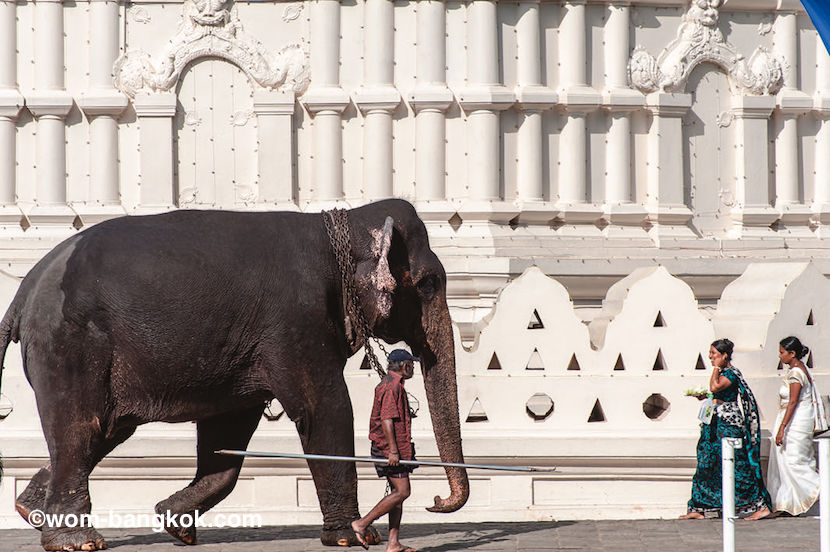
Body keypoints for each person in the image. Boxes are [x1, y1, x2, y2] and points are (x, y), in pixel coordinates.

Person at [680, 338, 772, 520]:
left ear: (724, 355)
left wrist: (716, 368)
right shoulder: (723, 373)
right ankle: (699, 507)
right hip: (714, 423)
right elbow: (714, 392)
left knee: (737, 465)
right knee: (707, 463)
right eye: (711, 353)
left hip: (728, 425)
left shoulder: (731, 374)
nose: (710, 357)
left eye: (714, 353)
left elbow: (715, 386)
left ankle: (759, 505)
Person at [352, 349, 419, 552]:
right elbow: (386, 419)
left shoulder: (392, 384)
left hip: (394, 447)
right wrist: (393, 451)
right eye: (412, 365)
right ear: (405, 366)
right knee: (403, 491)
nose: (414, 368)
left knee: (396, 496)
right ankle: (361, 524)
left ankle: (393, 543)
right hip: (389, 449)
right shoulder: (392, 387)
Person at [766, 336, 821, 515]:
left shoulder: (797, 373)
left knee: (795, 462)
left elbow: (793, 402)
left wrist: (782, 427)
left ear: (792, 353)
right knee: (787, 462)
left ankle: (822, 488)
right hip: (794, 419)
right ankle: (789, 503)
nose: (780, 356)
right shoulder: (797, 370)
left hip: (795, 422)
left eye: (782, 352)